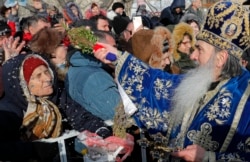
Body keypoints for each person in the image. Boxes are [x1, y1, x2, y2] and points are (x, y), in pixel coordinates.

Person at [94, 1, 250, 161]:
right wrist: (118, 58)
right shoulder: (205, 79)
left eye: (200, 49)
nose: (193, 56)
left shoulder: (246, 97)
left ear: (220, 58)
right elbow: (160, 86)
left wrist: (210, 158)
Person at [0, 53, 112, 161]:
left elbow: (79, 116)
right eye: (38, 76)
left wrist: (100, 131)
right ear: (23, 84)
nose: (47, 78)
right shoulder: (8, 111)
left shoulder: (57, 95)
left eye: (46, 71)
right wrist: (35, 149)